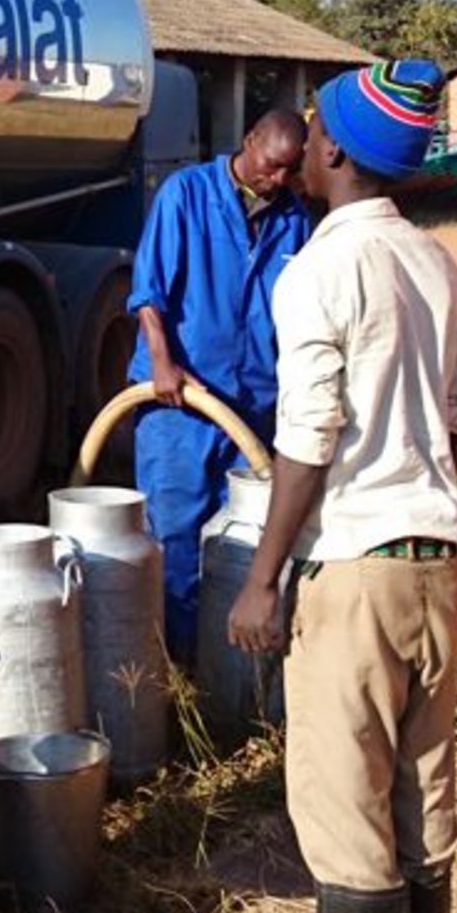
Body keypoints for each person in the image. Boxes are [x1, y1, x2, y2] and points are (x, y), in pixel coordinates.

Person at [228, 62, 457, 913]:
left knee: (340, 777)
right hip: (434, 555)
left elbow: (308, 436)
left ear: (329, 150)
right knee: (420, 771)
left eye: (312, 136)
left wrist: (262, 576)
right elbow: (454, 420)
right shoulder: (436, 267)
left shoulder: (319, 273)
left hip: (358, 561)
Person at [127, 108, 311, 657]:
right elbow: (148, 292)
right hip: (179, 404)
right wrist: (161, 361)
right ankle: (174, 666)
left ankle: (225, 668)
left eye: (288, 172)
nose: (275, 180)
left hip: (253, 409)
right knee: (175, 536)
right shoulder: (186, 194)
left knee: (240, 539)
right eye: (270, 166)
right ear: (249, 141)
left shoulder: (295, 219)